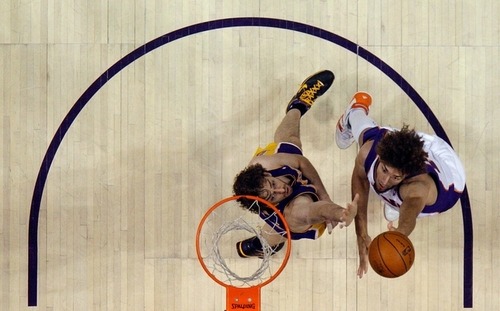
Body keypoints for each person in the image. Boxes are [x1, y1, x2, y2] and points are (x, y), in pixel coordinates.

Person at [335, 91, 466, 278]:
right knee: (365, 131)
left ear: (405, 176)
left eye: (395, 178)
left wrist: (400, 234)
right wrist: (360, 233)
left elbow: (411, 210)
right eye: (384, 170)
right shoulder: (371, 150)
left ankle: (395, 205)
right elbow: (361, 180)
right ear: (380, 157)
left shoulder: (417, 188)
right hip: (404, 148)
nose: (384, 181)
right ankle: (354, 110)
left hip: (450, 176)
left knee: (406, 203)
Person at [232, 70, 359, 258]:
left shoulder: (261, 163)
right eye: (271, 196)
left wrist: (324, 194)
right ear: (265, 205)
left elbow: (301, 162)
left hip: (276, 199)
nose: (280, 191)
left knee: (290, 142)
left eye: (273, 185)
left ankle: (298, 104)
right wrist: (340, 213)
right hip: (286, 220)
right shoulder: (297, 211)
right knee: (272, 238)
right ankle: (260, 247)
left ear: (266, 174)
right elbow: (318, 210)